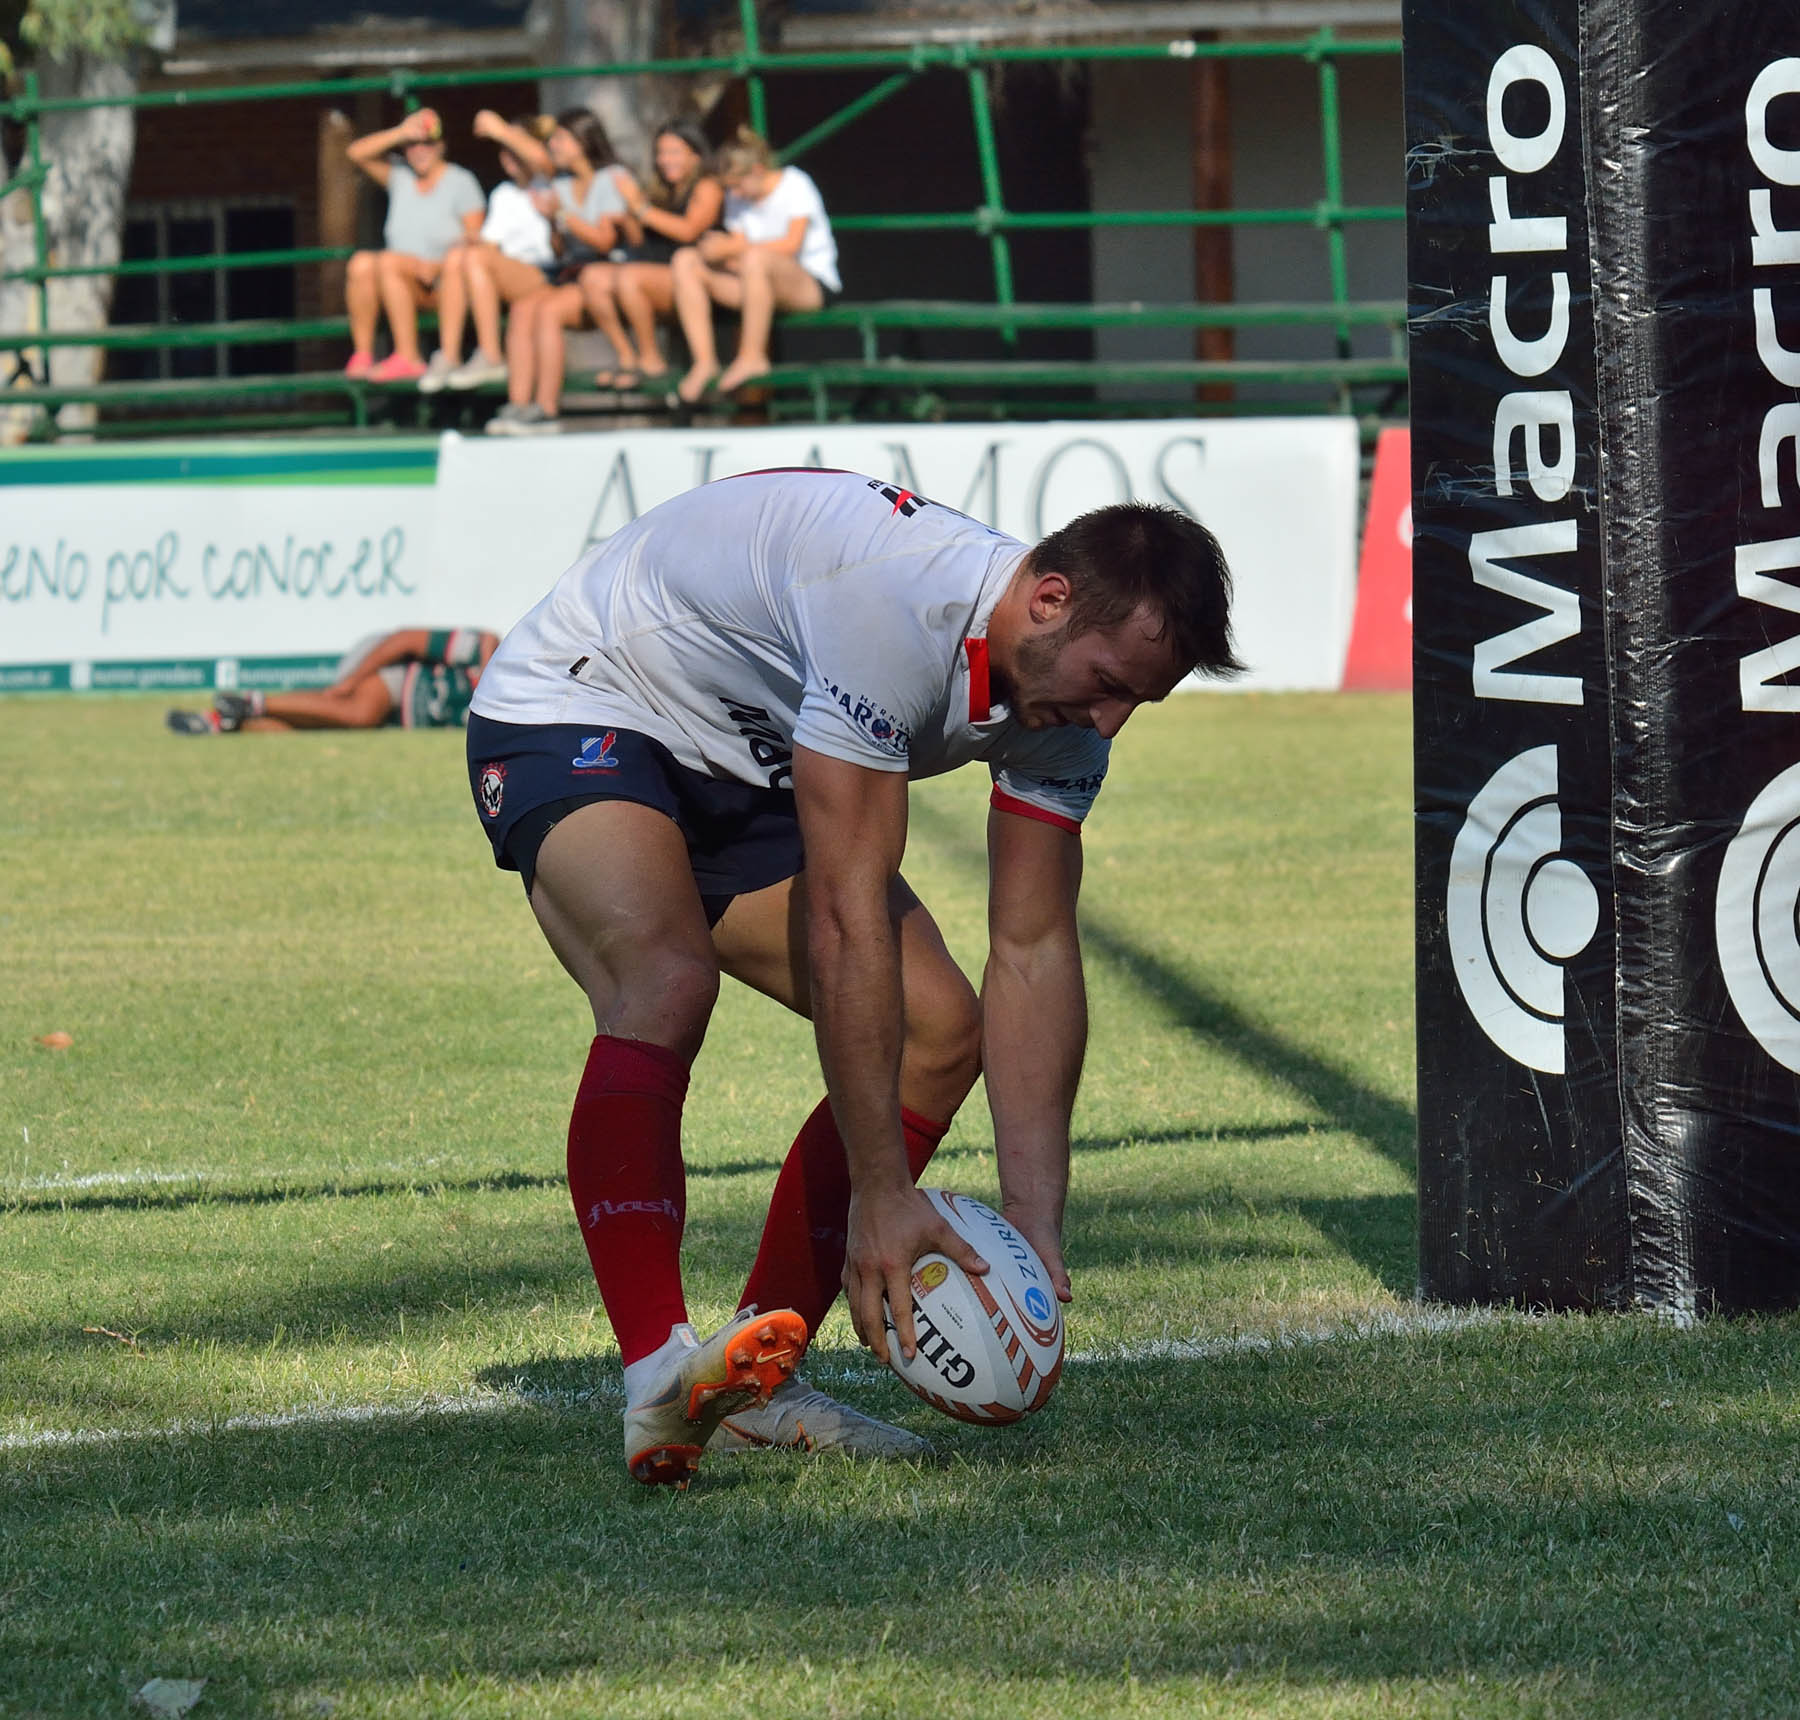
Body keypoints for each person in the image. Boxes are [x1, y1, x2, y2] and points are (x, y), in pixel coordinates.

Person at [463, 470, 1242, 1487]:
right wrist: (881, 1190)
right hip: (587, 696)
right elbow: (845, 916)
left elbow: (1035, 949)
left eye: (1137, 701)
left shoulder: (1067, 711)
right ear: (1048, 598)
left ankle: (752, 1387)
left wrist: (1035, 1220)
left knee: (940, 1032)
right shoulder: (899, 605)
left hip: (751, 759)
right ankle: (659, 1371)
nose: (1107, 724)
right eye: (1107, 684)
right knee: (665, 979)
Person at [483, 109, 639, 437]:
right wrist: (553, 222)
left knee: (548, 311)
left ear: (583, 142)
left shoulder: (612, 178)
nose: (553, 145)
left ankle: (547, 408)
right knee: (524, 308)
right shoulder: (562, 186)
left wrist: (563, 217)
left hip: (606, 276)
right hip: (573, 273)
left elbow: (605, 241)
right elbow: (560, 246)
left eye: (560, 138)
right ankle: (518, 404)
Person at [670, 128, 840, 406]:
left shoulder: (795, 184)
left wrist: (733, 248)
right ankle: (704, 361)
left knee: (755, 258)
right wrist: (717, 253)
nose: (734, 193)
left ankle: (752, 356)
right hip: (754, 282)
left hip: (808, 284)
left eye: (738, 185)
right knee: (685, 260)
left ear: (758, 171)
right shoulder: (736, 197)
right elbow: (738, 251)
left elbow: (791, 244)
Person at [579, 119, 724, 393]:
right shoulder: (659, 190)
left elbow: (689, 231)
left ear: (696, 155)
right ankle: (627, 357)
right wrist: (626, 218)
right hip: (655, 269)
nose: (665, 160)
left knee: (630, 277)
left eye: (674, 152)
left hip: (694, 277)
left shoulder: (708, 187)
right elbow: (641, 244)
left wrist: (641, 209)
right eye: (661, 153)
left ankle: (650, 359)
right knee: (592, 277)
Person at [419, 112, 559, 395]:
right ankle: (449, 354)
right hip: (507, 274)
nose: (508, 155)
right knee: (459, 256)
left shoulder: (549, 184)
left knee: (474, 257)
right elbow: (491, 245)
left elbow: (543, 160)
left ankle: (491, 355)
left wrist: (500, 129)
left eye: (514, 147)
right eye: (503, 149)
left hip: (545, 274)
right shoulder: (502, 194)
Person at [344, 109, 486, 383]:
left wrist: (439, 266)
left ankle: (408, 356)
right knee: (361, 263)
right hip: (400, 280)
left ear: (442, 145)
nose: (420, 150)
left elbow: (475, 243)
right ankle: (363, 354)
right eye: (412, 144)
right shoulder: (400, 177)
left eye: (427, 143)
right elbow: (355, 153)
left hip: (445, 284)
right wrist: (400, 131)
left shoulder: (461, 182)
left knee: (389, 262)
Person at [167, 628, 498, 734]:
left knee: (316, 726)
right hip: (395, 673)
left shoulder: (512, 708)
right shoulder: (486, 649)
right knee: (359, 713)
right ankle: (253, 701)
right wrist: (352, 681)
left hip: (395, 715)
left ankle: (223, 722)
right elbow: (405, 640)